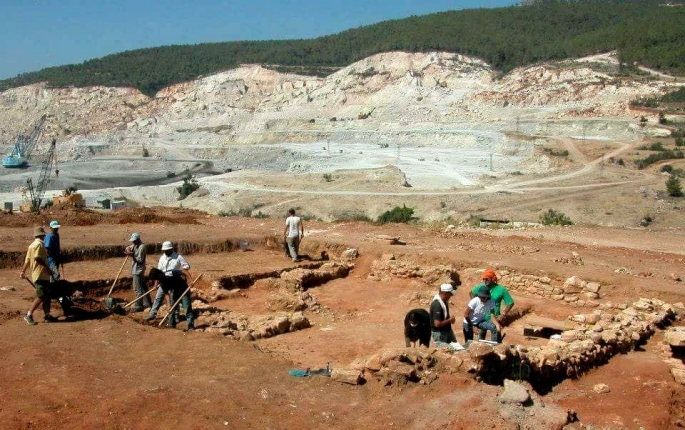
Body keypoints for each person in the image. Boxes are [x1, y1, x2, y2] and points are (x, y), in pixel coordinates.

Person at [144, 241, 195, 330]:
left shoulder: (172, 271)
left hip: (183, 289)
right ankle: (171, 325)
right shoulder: (162, 281)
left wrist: (190, 281)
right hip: (173, 291)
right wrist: (168, 304)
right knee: (171, 308)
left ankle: (191, 326)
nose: (166, 252)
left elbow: (184, 273)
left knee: (187, 308)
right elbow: (166, 293)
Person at [19, 226, 57, 325]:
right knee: (41, 295)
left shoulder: (31, 245)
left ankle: (47, 315)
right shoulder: (40, 245)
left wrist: (23, 271)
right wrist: (48, 268)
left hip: (39, 274)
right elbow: (37, 258)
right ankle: (28, 315)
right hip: (41, 274)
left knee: (46, 295)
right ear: (42, 235)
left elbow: (27, 260)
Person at [124, 232, 150, 312]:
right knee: (142, 287)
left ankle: (138, 306)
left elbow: (140, 260)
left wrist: (132, 255)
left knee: (137, 289)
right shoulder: (135, 245)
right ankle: (147, 303)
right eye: (132, 241)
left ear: (138, 239)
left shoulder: (142, 247)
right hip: (135, 269)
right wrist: (128, 250)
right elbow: (127, 247)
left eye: (134, 241)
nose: (133, 242)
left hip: (138, 270)